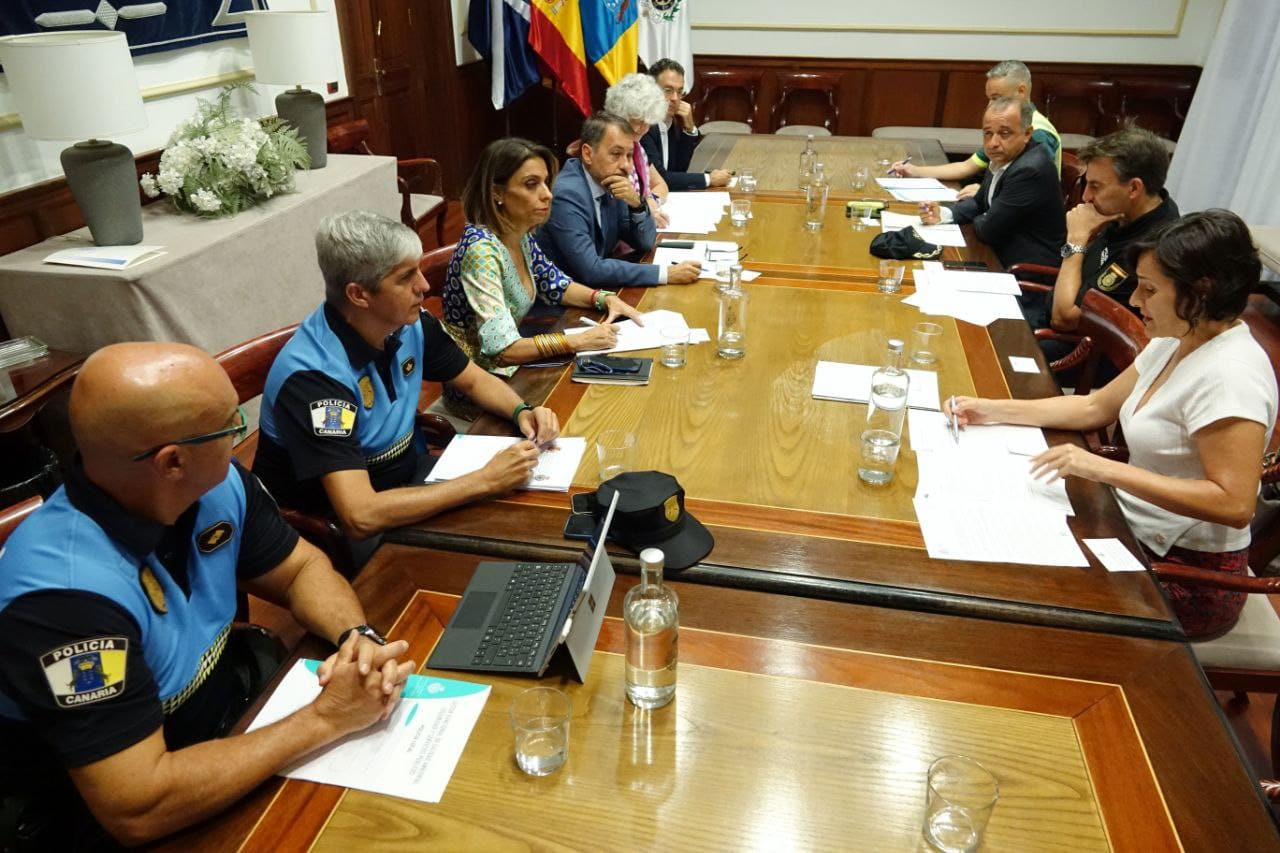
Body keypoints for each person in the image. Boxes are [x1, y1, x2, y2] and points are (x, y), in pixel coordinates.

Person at [0, 343, 415, 847]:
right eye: (231, 426)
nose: (240, 434)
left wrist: (355, 636)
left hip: (228, 721)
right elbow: (138, 807)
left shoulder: (211, 484)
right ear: (172, 461)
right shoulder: (63, 599)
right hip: (126, 811)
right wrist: (326, 718)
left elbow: (300, 569)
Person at [947, 210, 1278, 639]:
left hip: (1185, 571)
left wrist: (1100, 468)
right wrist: (990, 409)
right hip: (1131, 525)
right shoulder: (1180, 338)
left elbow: (1234, 504)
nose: (1136, 300)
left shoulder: (1232, 376)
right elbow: (1094, 407)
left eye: (1149, 289)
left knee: (1013, 590)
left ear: (1201, 292)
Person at [253, 211, 559, 547]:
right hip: (334, 527)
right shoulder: (314, 379)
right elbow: (360, 515)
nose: (424, 286)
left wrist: (522, 410)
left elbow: (473, 381)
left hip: (409, 477)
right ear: (359, 295)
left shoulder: (408, 323)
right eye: (405, 277)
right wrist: (484, 480)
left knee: (532, 518)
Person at [441, 137, 643, 377]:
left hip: (515, 367)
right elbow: (503, 350)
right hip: (481, 381)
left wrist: (605, 299)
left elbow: (555, 284)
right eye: (531, 184)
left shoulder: (518, 233)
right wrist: (578, 340)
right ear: (497, 192)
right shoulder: (481, 252)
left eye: (546, 183)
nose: (547, 194)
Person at [541, 112, 702, 288]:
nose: (626, 165)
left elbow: (645, 242)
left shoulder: (611, 181)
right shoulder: (567, 194)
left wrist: (637, 205)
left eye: (629, 155)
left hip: (598, 289)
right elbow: (591, 270)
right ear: (587, 154)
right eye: (616, 154)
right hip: (566, 298)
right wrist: (664, 274)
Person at [1046, 127, 1180, 332]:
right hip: (1046, 308)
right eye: (1086, 184)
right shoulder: (1125, 212)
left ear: (1134, 188)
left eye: (1096, 186)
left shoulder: (1153, 250)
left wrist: (1076, 241)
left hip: (1070, 343)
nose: (1086, 197)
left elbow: (1064, 319)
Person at [921, 97, 1065, 272]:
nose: (993, 143)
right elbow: (979, 202)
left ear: (1027, 134)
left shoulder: (1030, 169)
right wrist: (945, 214)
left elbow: (988, 231)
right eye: (988, 133)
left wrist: (986, 217)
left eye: (1004, 133)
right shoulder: (1004, 156)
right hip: (997, 255)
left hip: (1024, 271)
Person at [889, 59, 1062, 199]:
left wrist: (984, 192)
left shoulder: (1039, 133)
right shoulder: (1004, 128)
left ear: (1021, 91)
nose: (990, 105)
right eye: (989, 98)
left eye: (997, 98)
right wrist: (915, 171)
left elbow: (1028, 188)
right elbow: (966, 166)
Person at [641, 58, 733, 191]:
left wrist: (689, 129)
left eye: (679, 92)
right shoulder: (643, 126)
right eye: (668, 90)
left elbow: (679, 169)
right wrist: (708, 179)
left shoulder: (671, 121)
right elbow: (659, 179)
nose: (675, 98)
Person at [604, 72, 672, 226]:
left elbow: (661, 185)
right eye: (639, 121)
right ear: (620, 115)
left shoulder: (637, 148)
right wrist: (644, 213)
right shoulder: (610, 152)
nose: (644, 129)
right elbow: (616, 209)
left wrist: (649, 204)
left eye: (648, 122)